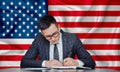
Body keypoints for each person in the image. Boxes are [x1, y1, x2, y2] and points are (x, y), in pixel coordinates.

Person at [20, 14, 96, 69]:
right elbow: (24, 62)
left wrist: (76, 63)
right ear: (43, 34)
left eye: (55, 34)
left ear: (59, 27)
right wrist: (46, 63)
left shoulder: (73, 38)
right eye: (48, 37)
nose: (52, 39)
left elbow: (91, 62)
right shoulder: (39, 39)